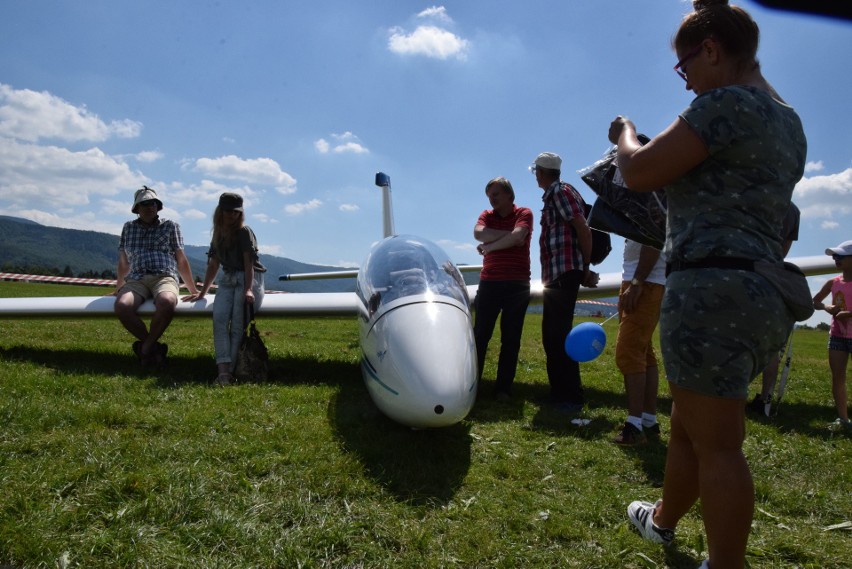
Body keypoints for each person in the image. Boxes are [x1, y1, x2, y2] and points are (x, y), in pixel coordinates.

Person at [607, 1, 807, 567]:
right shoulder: (788, 119)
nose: (686, 80)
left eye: (685, 65)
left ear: (713, 50)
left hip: (711, 290)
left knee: (718, 444)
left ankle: (726, 563)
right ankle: (663, 521)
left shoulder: (722, 105)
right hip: (762, 289)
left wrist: (625, 136)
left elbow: (638, 171)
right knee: (691, 426)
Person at [532, 152, 599, 413]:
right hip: (557, 274)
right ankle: (560, 393)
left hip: (563, 272)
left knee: (558, 335)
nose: (535, 175)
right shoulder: (557, 192)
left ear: (541, 172)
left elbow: (582, 227)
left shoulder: (560, 192)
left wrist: (585, 266)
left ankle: (570, 397)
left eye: (536, 170)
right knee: (553, 336)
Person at [183, 192, 266, 386]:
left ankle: (228, 374)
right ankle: (223, 371)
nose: (232, 215)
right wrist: (203, 292)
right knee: (219, 319)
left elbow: (248, 264)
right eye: (228, 211)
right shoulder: (218, 233)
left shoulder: (245, 232)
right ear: (220, 211)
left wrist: (248, 290)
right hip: (228, 277)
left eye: (236, 212)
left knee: (237, 325)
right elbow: (213, 265)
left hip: (249, 277)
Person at [114, 186, 200, 367]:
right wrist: (118, 287)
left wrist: (193, 290)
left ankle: (145, 350)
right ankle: (152, 347)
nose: (148, 207)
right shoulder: (128, 228)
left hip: (165, 276)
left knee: (167, 301)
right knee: (122, 305)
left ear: (158, 206)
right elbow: (123, 261)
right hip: (137, 278)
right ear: (137, 208)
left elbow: (181, 259)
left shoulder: (171, 226)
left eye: (152, 203)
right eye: (144, 204)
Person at [473, 177, 534, 400]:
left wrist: (489, 248)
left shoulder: (524, 213)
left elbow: (519, 236)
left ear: (509, 194)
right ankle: (472, 384)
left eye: (496, 194)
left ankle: (503, 389)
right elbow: (479, 233)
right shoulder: (486, 216)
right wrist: (509, 237)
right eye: (490, 196)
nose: (492, 200)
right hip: (489, 282)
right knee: (480, 335)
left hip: (517, 285)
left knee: (511, 338)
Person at [747, 202, 800, 415]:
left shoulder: (751, 195)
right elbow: (784, 249)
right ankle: (765, 398)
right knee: (771, 345)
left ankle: (728, 393)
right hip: (772, 276)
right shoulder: (793, 210)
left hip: (743, 275)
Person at [612, 239, 667, 445]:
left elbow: (653, 239)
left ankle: (634, 427)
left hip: (645, 283)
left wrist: (637, 283)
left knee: (629, 351)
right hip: (639, 280)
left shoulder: (654, 205)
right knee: (644, 351)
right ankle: (648, 420)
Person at [812, 240, 852, 431]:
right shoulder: (833, 282)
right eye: (835, 256)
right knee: (838, 377)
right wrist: (827, 307)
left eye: (840, 256)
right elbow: (816, 301)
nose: (836, 259)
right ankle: (843, 419)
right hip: (837, 335)